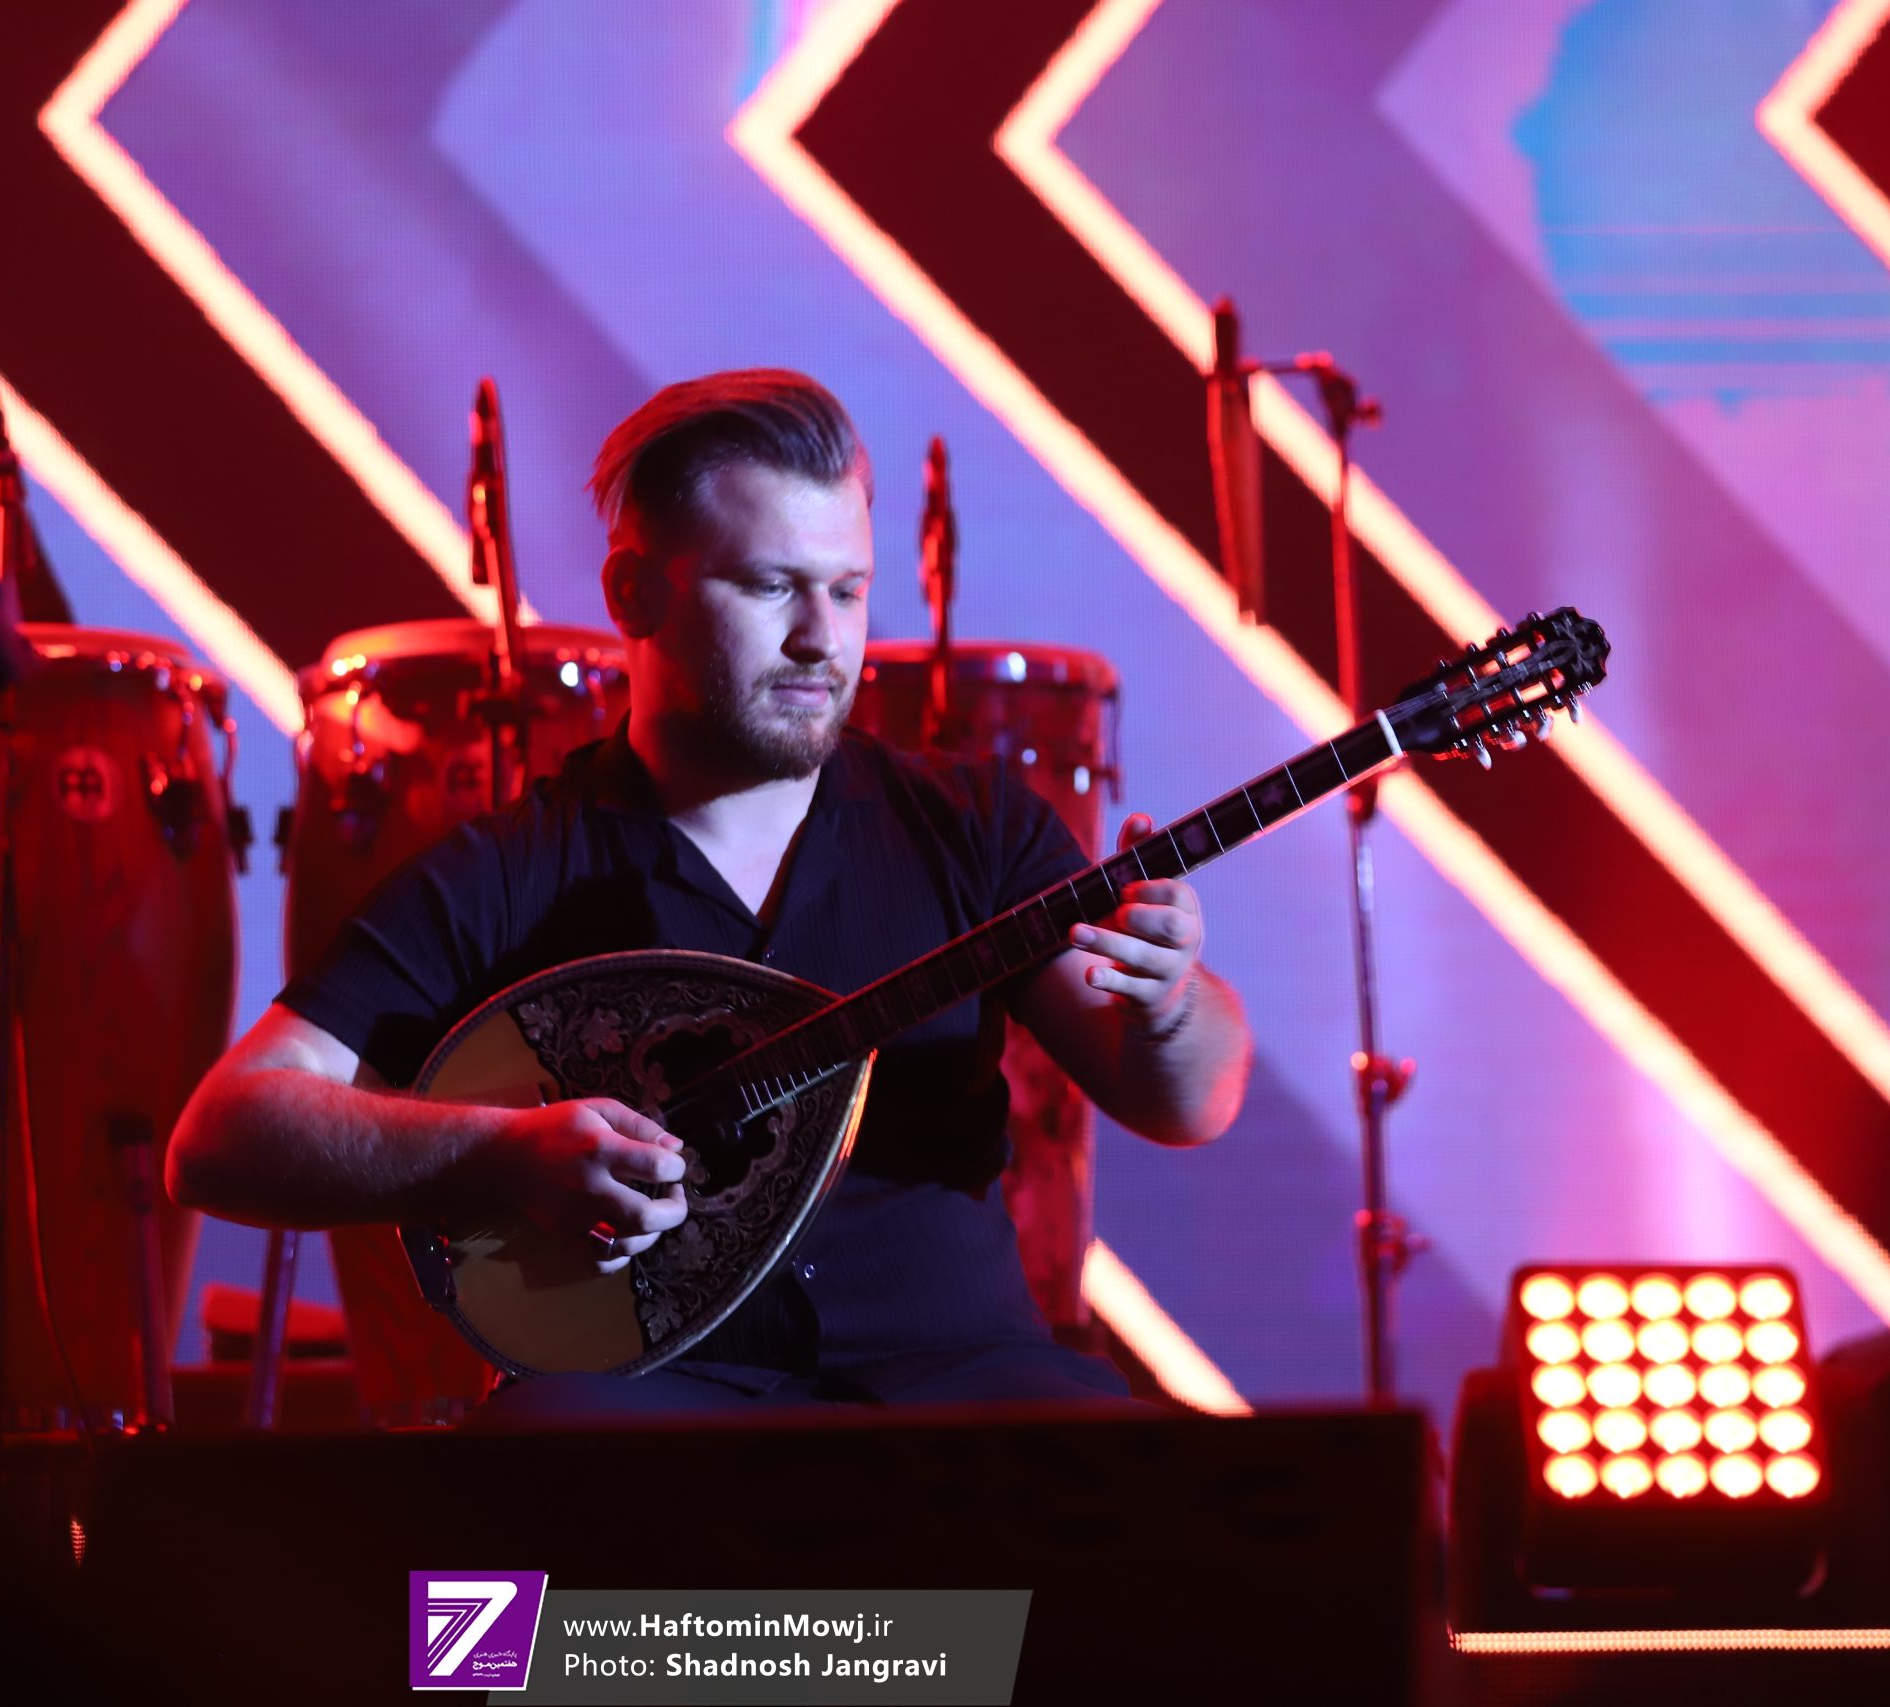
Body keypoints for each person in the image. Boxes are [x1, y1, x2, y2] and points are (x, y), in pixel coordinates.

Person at [165, 370, 1250, 1424]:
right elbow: (222, 1134)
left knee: (1180, 1499)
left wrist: (1167, 1005)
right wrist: (500, 1154)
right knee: (526, 1484)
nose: (822, 639)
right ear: (633, 594)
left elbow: (1186, 1103)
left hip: (964, 1389)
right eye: (771, 586)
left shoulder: (974, 828)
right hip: (655, 1410)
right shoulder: (513, 871)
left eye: (848, 590)